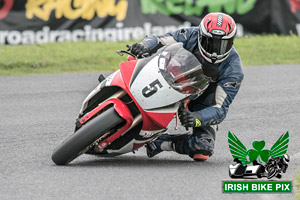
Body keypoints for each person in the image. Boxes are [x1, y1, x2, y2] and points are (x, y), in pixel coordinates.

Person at [130, 12, 244, 161]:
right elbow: (159, 40)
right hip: (172, 79)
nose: (215, 51)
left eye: (222, 45)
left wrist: (197, 118)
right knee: (133, 58)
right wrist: (144, 45)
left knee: (202, 149)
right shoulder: (191, 34)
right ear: (201, 36)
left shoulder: (234, 70)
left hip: (202, 101)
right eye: (211, 42)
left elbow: (220, 109)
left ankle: (161, 143)